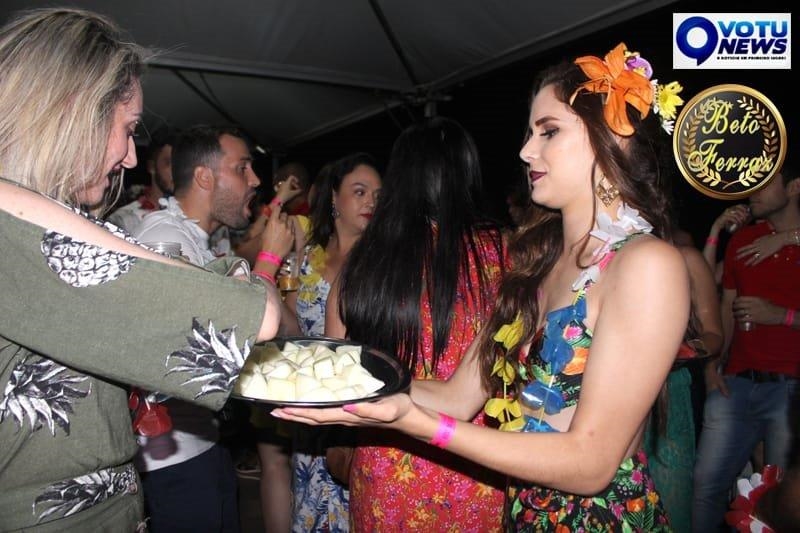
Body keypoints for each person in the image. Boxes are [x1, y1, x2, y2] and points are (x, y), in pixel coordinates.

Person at [275, 42, 690, 530]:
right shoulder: (537, 267)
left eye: (549, 131)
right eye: (529, 133)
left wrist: (416, 424)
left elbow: (591, 464)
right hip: (522, 516)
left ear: (612, 138)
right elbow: (458, 397)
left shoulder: (645, 264)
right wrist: (340, 378)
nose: (526, 151)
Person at [0, 8, 283, 530]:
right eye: (128, 129)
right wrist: (256, 271)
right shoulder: (13, 214)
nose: (132, 157)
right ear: (74, 111)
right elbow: (246, 316)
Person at [324, 117, 508, 531]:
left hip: (384, 469)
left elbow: (336, 377)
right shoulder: (502, 257)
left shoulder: (361, 264)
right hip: (475, 467)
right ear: (467, 175)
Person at [131, 124, 295, 531]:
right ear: (205, 177)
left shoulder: (202, 240)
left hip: (203, 442)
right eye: (242, 168)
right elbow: (213, 344)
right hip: (172, 461)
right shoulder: (165, 240)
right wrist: (269, 261)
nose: (255, 180)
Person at [692, 160, 800, 532]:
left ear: (794, 187)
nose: (752, 187)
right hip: (735, 384)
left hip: (791, 390)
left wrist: (782, 315)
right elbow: (723, 306)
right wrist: (712, 366)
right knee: (706, 488)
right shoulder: (743, 240)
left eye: (765, 181)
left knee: (782, 505)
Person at [283, 153, 381, 532]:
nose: (371, 201)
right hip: (309, 404)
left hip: (357, 409)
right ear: (334, 198)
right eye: (360, 191)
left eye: (378, 195)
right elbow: (292, 327)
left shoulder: (381, 264)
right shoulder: (307, 257)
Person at [644, 229, 723, 533]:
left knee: (670, 498)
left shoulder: (685, 257)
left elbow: (714, 335)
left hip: (670, 391)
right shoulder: (605, 255)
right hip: (612, 388)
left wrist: (680, 350)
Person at [107, 130, 175, 233]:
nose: (177, 170)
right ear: (151, 167)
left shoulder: (191, 216)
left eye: (181, 165)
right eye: (169, 163)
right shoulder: (123, 219)